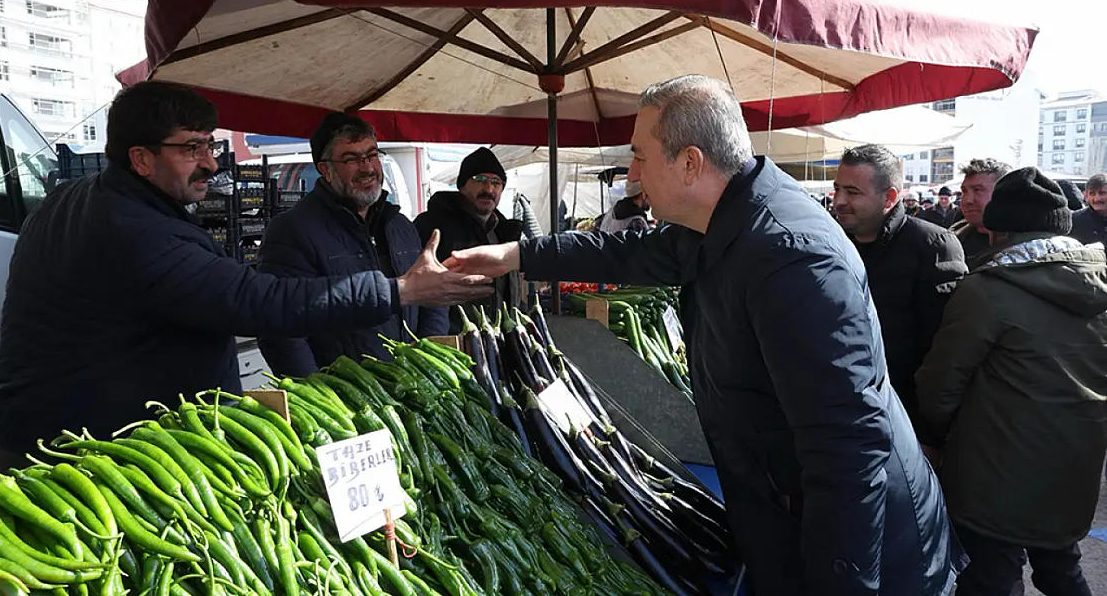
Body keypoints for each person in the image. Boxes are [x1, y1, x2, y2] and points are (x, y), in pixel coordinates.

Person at [446, 75, 964, 596]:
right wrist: (515, 255)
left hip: (865, 553)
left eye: (641, 157)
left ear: (690, 163)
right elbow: (627, 252)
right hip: (783, 512)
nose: (632, 174)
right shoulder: (718, 220)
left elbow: (849, 449)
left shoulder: (792, 258)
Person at [0, 82, 490, 468]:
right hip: (86, 453)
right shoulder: (137, 233)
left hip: (61, 433)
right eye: (192, 149)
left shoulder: (74, 200)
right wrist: (401, 290)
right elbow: (263, 303)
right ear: (140, 158)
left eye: (210, 145)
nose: (211, 163)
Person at [915, 168, 1105, 596]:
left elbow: (941, 383)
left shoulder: (987, 290)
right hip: (1074, 462)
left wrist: (936, 437)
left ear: (998, 230)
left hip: (992, 469)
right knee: (1061, 567)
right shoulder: (1099, 281)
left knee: (991, 577)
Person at [257, 113, 448, 377]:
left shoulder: (400, 225)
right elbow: (280, 329)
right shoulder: (292, 231)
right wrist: (321, 398)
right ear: (325, 170)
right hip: (349, 402)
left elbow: (433, 299)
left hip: (412, 390)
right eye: (351, 159)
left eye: (371, 155)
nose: (367, 168)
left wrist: (428, 362)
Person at [832, 144, 966, 432]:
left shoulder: (931, 246)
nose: (839, 201)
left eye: (853, 192)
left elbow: (944, 355)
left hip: (903, 419)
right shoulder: (829, 241)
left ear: (890, 197)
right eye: (837, 189)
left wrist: (930, 433)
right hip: (839, 411)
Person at [414, 147, 523, 334]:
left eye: (496, 182)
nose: (488, 189)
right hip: (453, 344)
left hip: (498, 343)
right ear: (462, 185)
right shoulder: (432, 227)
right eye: (480, 180)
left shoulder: (504, 233)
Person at [949, 158, 1012, 269]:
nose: (967, 200)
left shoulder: (1027, 247)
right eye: (964, 191)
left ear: (1004, 193)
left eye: (978, 190)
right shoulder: (952, 239)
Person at [1069, 173, 1107, 244]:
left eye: (1102, 193)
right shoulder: (1074, 221)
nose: (1096, 199)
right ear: (1086, 195)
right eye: (1092, 194)